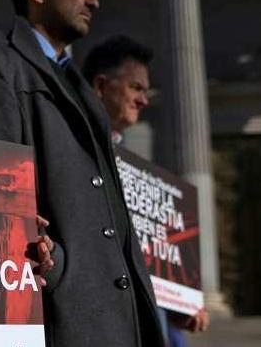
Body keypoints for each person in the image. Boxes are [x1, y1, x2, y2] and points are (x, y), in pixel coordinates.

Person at [0, 0, 165, 347]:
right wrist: (58, 270)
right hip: (65, 315)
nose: (95, 1)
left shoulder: (77, 84)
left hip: (118, 315)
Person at [83, 36, 210, 346]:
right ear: (101, 86)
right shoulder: (72, 153)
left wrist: (177, 304)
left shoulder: (133, 167)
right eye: (135, 88)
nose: (144, 100)